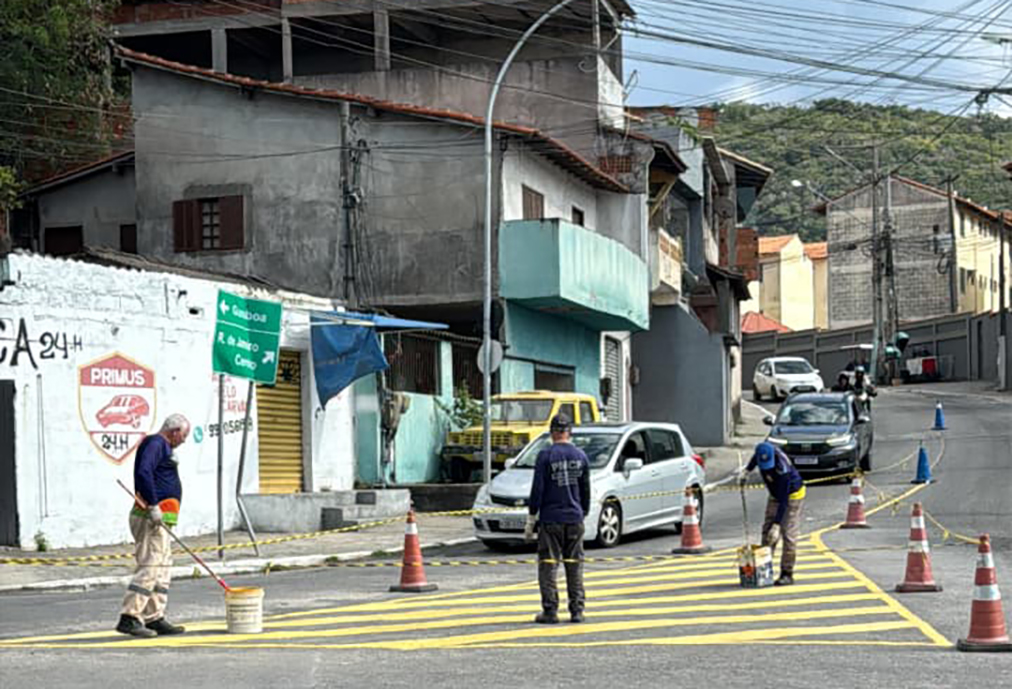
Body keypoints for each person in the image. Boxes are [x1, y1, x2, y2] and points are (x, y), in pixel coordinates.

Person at [116, 414, 191, 638]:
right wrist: (153, 505)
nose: (184, 440)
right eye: (184, 435)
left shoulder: (162, 447)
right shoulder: (155, 443)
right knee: (150, 566)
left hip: (161, 520)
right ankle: (129, 617)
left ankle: (154, 617)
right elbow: (144, 472)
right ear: (174, 431)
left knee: (162, 568)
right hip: (150, 518)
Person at [526, 413, 591, 624]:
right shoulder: (581, 456)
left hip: (551, 519)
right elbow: (585, 489)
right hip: (574, 518)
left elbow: (538, 489)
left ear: (552, 433)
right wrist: (583, 512)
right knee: (574, 566)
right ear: (569, 432)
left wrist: (531, 516)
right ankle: (577, 610)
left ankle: (550, 611)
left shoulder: (545, 456)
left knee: (548, 565)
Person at [740, 441, 806, 586]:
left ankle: (787, 573)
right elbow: (755, 458)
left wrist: (777, 525)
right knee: (767, 532)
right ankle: (764, 569)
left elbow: (784, 501)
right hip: (775, 494)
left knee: (788, 534)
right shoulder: (762, 453)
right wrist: (747, 471)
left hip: (792, 495)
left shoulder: (783, 470)